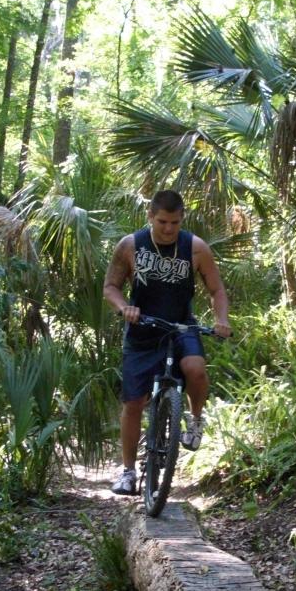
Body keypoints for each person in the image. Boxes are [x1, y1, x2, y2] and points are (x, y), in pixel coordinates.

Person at [103, 190, 232, 496]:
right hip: (142, 329)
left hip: (181, 325)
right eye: (162, 221)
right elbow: (110, 287)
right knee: (133, 403)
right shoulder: (130, 245)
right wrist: (124, 308)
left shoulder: (195, 248)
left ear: (181, 218)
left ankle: (195, 420)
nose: (168, 229)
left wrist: (222, 320)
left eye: (174, 222)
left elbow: (217, 290)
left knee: (196, 368)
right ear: (150, 216)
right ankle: (128, 472)